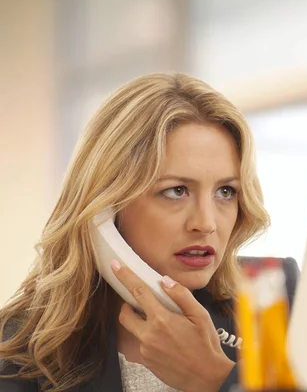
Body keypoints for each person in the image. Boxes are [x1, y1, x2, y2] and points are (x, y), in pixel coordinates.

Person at [0, 73, 275, 391]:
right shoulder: (17, 357)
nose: (207, 223)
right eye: (176, 191)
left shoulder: (278, 306)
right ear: (106, 207)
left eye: (226, 192)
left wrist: (216, 379)